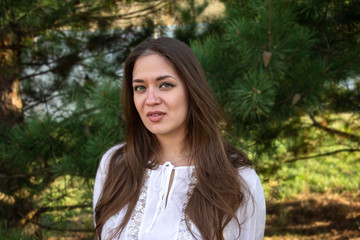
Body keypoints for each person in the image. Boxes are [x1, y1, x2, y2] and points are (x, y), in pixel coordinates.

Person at [93, 37, 266, 240]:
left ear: (191, 90)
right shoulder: (115, 164)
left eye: (165, 85)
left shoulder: (237, 179)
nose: (151, 100)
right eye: (140, 87)